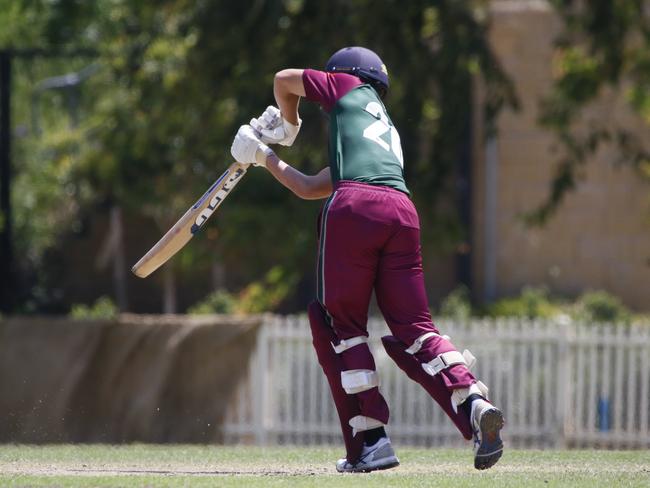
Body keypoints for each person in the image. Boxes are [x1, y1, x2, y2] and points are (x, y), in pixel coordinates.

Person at [230, 46, 504, 473]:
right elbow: (306, 186)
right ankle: (474, 401)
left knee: (340, 326)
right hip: (401, 210)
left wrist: (287, 126)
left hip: (355, 208)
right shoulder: (383, 131)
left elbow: (284, 80)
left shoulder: (346, 83)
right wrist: (262, 157)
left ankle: (370, 442)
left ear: (345, 75)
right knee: (415, 328)